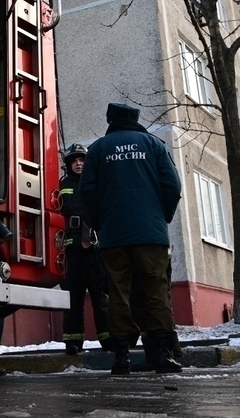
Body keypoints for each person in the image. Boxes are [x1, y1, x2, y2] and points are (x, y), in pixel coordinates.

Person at [80, 102, 183, 375]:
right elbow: (172, 185)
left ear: (110, 120)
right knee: (156, 291)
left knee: (117, 294)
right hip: (151, 233)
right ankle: (164, 354)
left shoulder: (98, 149)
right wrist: (163, 217)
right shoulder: (154, 145)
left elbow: (87, 191)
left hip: (114, 236)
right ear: (134, 119)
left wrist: (101, 224)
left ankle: (122, 358)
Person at [58, 143, 112, 355]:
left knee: (101, 296)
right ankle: (73, 341)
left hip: (95, 250)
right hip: (72, 249)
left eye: (82, 160)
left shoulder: (97, 183)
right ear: (68, 165)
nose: (79, 164)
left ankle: (108, 338)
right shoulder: (62, 185)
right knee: (72, 296)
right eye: (74, 161)